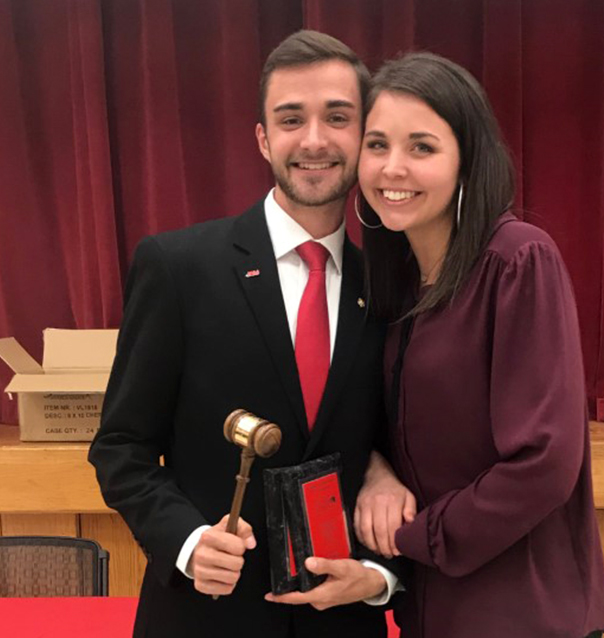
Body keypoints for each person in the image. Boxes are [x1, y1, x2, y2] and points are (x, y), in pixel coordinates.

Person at [88, 31, 405, 638]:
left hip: (341, 622)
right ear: (262, 137)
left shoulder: (391, 290)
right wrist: (184, 541)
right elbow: (121, 446)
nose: (314, 139)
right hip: (205, 618)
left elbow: (402, 448)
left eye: (337, 117)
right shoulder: (178, 268)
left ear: (364, 136)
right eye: (291, 119)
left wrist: (380, 572)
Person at [352, 52, 604, 638]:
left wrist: (414, 537)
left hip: (519, 611)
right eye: (377, 145)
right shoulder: (392, 280)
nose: (393, 168)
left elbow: (545, 461)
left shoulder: (518, 259)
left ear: (467, 160)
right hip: (430, 606)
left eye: (422, 147)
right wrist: (375, 471)